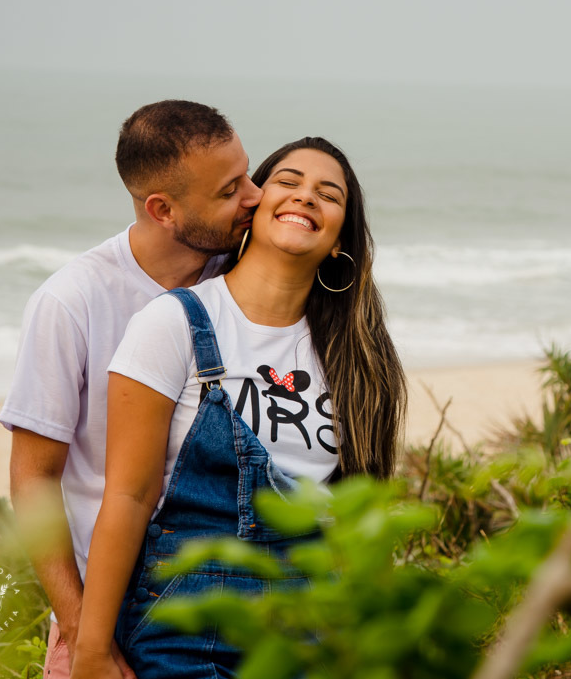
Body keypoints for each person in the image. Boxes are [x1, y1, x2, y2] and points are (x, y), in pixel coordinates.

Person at [71, 137, 406, 679]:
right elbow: (129, 497)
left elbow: (359, 517)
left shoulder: (359, 357)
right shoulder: (174, 322)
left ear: (341, 239)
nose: (305, 199)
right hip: (184, 626)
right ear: (254, 204)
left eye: (329, 194)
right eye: (289, 183)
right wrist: (90, 649)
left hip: (316, 629)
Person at [0, 100, 262, 679]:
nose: (255, 196)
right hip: (111, 612)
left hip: (237, 605)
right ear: (162, 209)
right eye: (228, 190)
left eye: (247, 173)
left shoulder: (246, 276)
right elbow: (34, 478)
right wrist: (77, 631)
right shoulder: (71, 301)